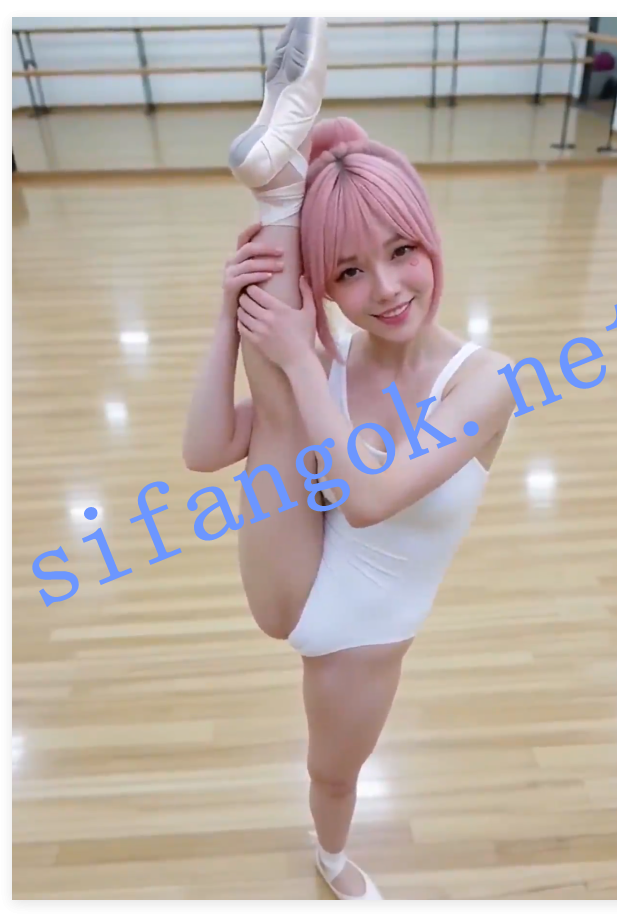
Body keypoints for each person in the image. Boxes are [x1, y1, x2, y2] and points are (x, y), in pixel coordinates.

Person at [183, 17, 516, 901]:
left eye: (401, 251)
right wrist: (229, 319)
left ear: (429, 238)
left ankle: (330, 859)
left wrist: (298, 357)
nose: (388, 289)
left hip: (355, 639)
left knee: (331, 775)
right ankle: (279, 197)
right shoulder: (330, 361)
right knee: (289, 406)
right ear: (325, 285)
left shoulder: (485, 382)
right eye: (349, 272)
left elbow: (368, 498)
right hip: (294, 571)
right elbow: (205, 450)